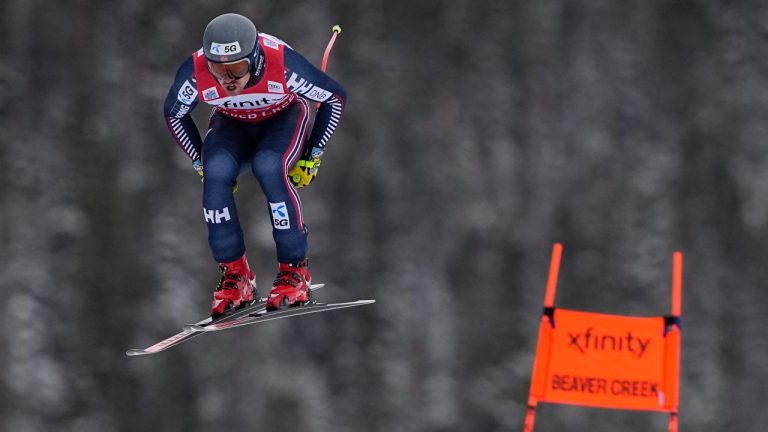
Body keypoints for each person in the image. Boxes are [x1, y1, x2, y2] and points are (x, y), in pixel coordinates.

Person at [163, 13, 346, 317]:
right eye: (217, 69)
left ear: (255, 58)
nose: (227, 79)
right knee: (216, 170)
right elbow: (174, 113)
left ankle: (295, 272)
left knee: (269, 165)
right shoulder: (195, 72)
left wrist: (313, 154)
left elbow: (335, 97)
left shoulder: (282, 64)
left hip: (283, 118)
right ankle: (236, 277)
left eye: (236, 68)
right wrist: (198, 159)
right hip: (233, 124)